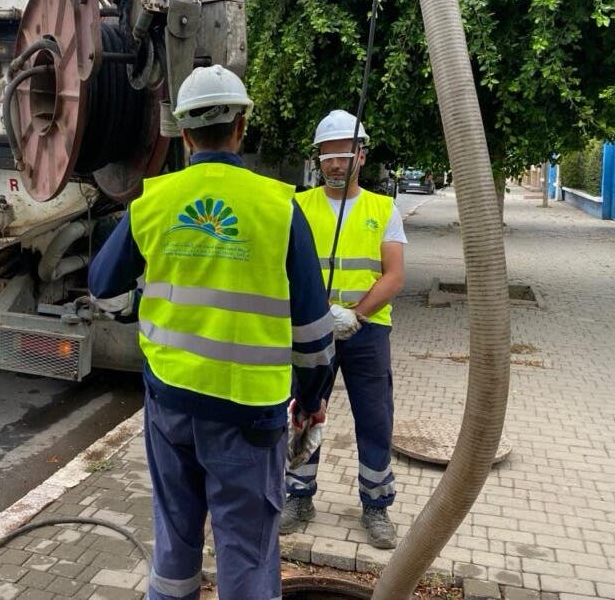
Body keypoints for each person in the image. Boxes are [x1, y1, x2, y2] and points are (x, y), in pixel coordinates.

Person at [89, 65, 335, 600]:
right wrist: (312, 401)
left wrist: (144, 306)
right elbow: (315, 336)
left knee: (175, 539)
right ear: (241, 125)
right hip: (249, 416)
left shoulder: (153, 200)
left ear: (183, 131)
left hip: (170, 405)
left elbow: (103, 292)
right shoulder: (278, 207)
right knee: (245, 551)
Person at [281, 109, 407, 549]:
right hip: (312, 331)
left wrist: (356, 314)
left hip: (367, 332)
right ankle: (298, 496)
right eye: (327, 156)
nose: (335, 164)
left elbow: (393, 275)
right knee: (302, 410)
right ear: (318, 159)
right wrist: (317, 316)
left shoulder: (383, 208)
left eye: (344, 154)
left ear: (362, 156)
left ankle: (376, 506)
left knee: (375, 418)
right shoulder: (298, 206)